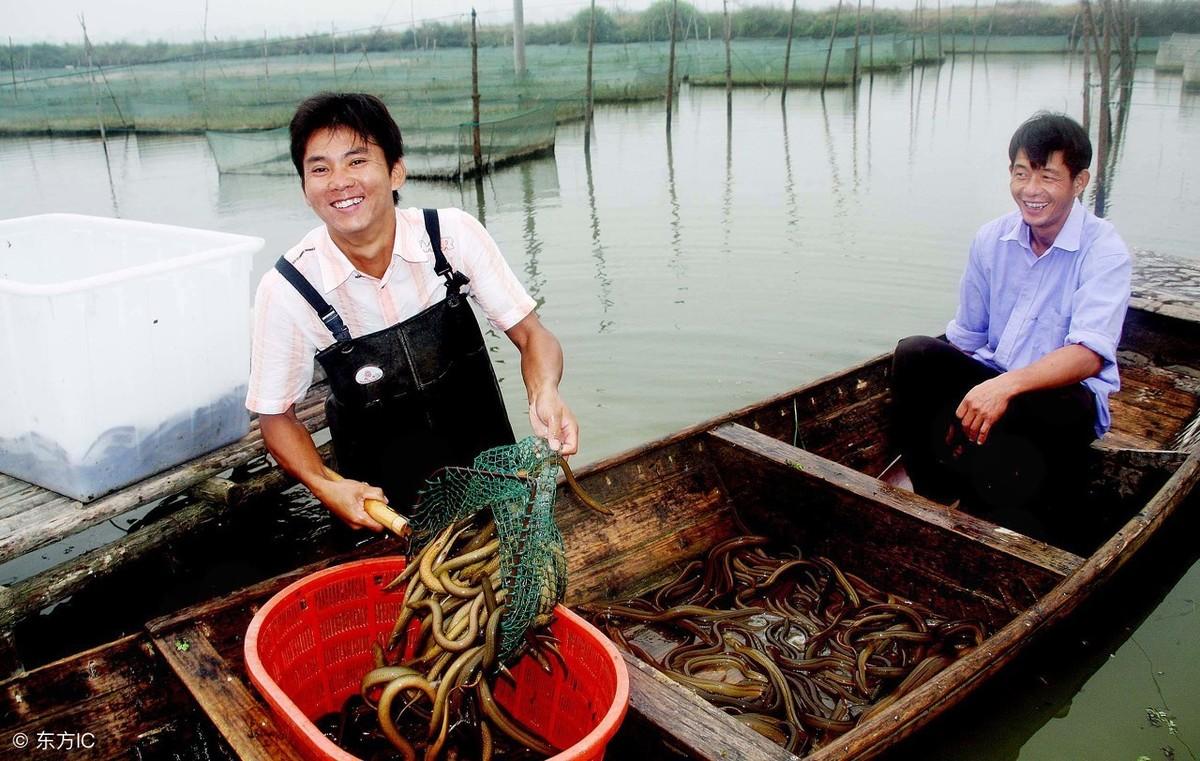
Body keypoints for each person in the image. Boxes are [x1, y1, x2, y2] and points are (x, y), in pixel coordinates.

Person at [246, 92, 578, 531]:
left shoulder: (451, 237)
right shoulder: (288, 289)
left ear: (395, 170)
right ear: (305, 188)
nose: (340, 181)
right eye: (320, 168)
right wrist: (324, 485)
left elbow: (533, 336)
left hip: (493, 491)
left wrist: (544, 393)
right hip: (380, 516)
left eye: (357, 161)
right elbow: (275, 416)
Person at [891, 112, 1131, 525]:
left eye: (1048, 177)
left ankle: (1005, 498)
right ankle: (932, 494)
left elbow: (1089, 354)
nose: (1031, 191)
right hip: (994, 379)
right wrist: (949, 406)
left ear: (1080, 182)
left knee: (1049, 418)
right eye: (1021, 174)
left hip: (1059, 400)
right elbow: (966, 336)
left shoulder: (1105, 251)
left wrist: (1005, 387)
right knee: (914, 355)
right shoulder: (991, 239)